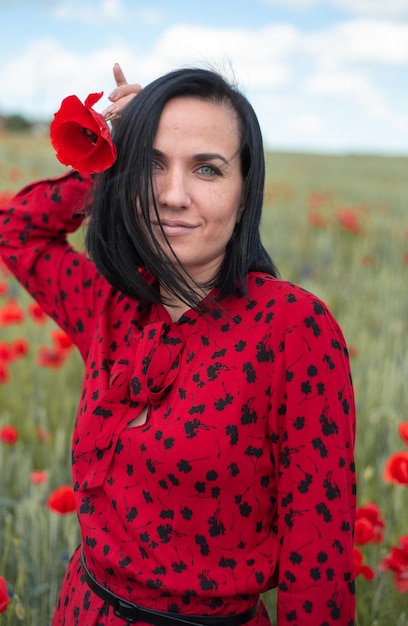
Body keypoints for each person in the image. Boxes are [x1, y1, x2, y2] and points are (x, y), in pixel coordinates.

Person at [0, 63, 356, 625]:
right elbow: (15, 230)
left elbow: (320, 560)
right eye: (152, 165)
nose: (172, 195)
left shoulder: (291, 328)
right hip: (80, 609)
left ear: (246, 191)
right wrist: (109, 148)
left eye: (207, 169)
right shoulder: (111, 305)